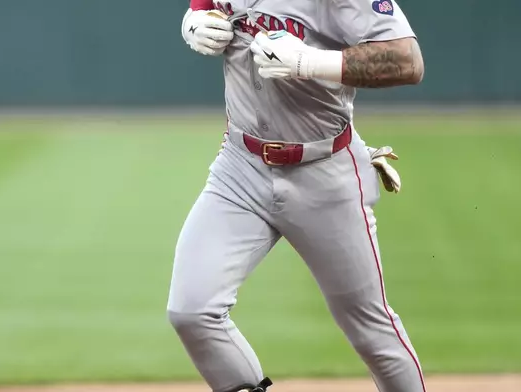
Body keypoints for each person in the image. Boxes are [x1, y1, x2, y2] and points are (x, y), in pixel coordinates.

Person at [167, 0, 426, 391]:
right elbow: (204, 7)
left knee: (371, 331)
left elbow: (408, 62)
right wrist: (192, 22)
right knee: (191, 311)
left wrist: (311, 62)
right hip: (240, 167)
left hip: (326, 171)